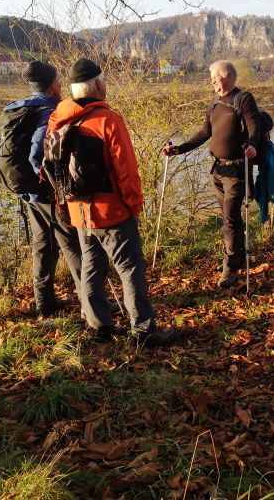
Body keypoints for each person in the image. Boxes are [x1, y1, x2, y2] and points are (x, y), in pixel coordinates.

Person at [46, 58, 176, 345]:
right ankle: (144, 331)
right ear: (97, 84)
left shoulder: (58, 120)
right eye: (104, 80)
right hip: (112, 212)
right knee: (130, 270)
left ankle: (100, 327)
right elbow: (127, 170)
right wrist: (134, 206)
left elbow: (52, 167)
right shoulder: (109, 120)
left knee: (91, 268)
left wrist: (65, 205)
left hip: (79, 212)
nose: (106, 85)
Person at [162, 60, 260, 289]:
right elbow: (205, 132)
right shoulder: (215, 102)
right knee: (229, 218)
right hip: (217, 169)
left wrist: (252, 145)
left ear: (228, 76)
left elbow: (254, 126)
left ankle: (230, 268)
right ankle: (237, 257)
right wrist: (179, 149)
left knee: (230, 218)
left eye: (215, 78)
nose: (212, 81)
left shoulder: (244, 99)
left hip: (236, 169)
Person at [0, 60, 82, 318]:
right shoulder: (49, 109)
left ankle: (44, 303)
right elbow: (37, 153)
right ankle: (92, 303)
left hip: (29, 191)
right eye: (58, 80)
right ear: (53, 84)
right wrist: (49, 182)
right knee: (72, 243)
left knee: (43, 244)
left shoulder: (17, 107)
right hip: (47, 191)